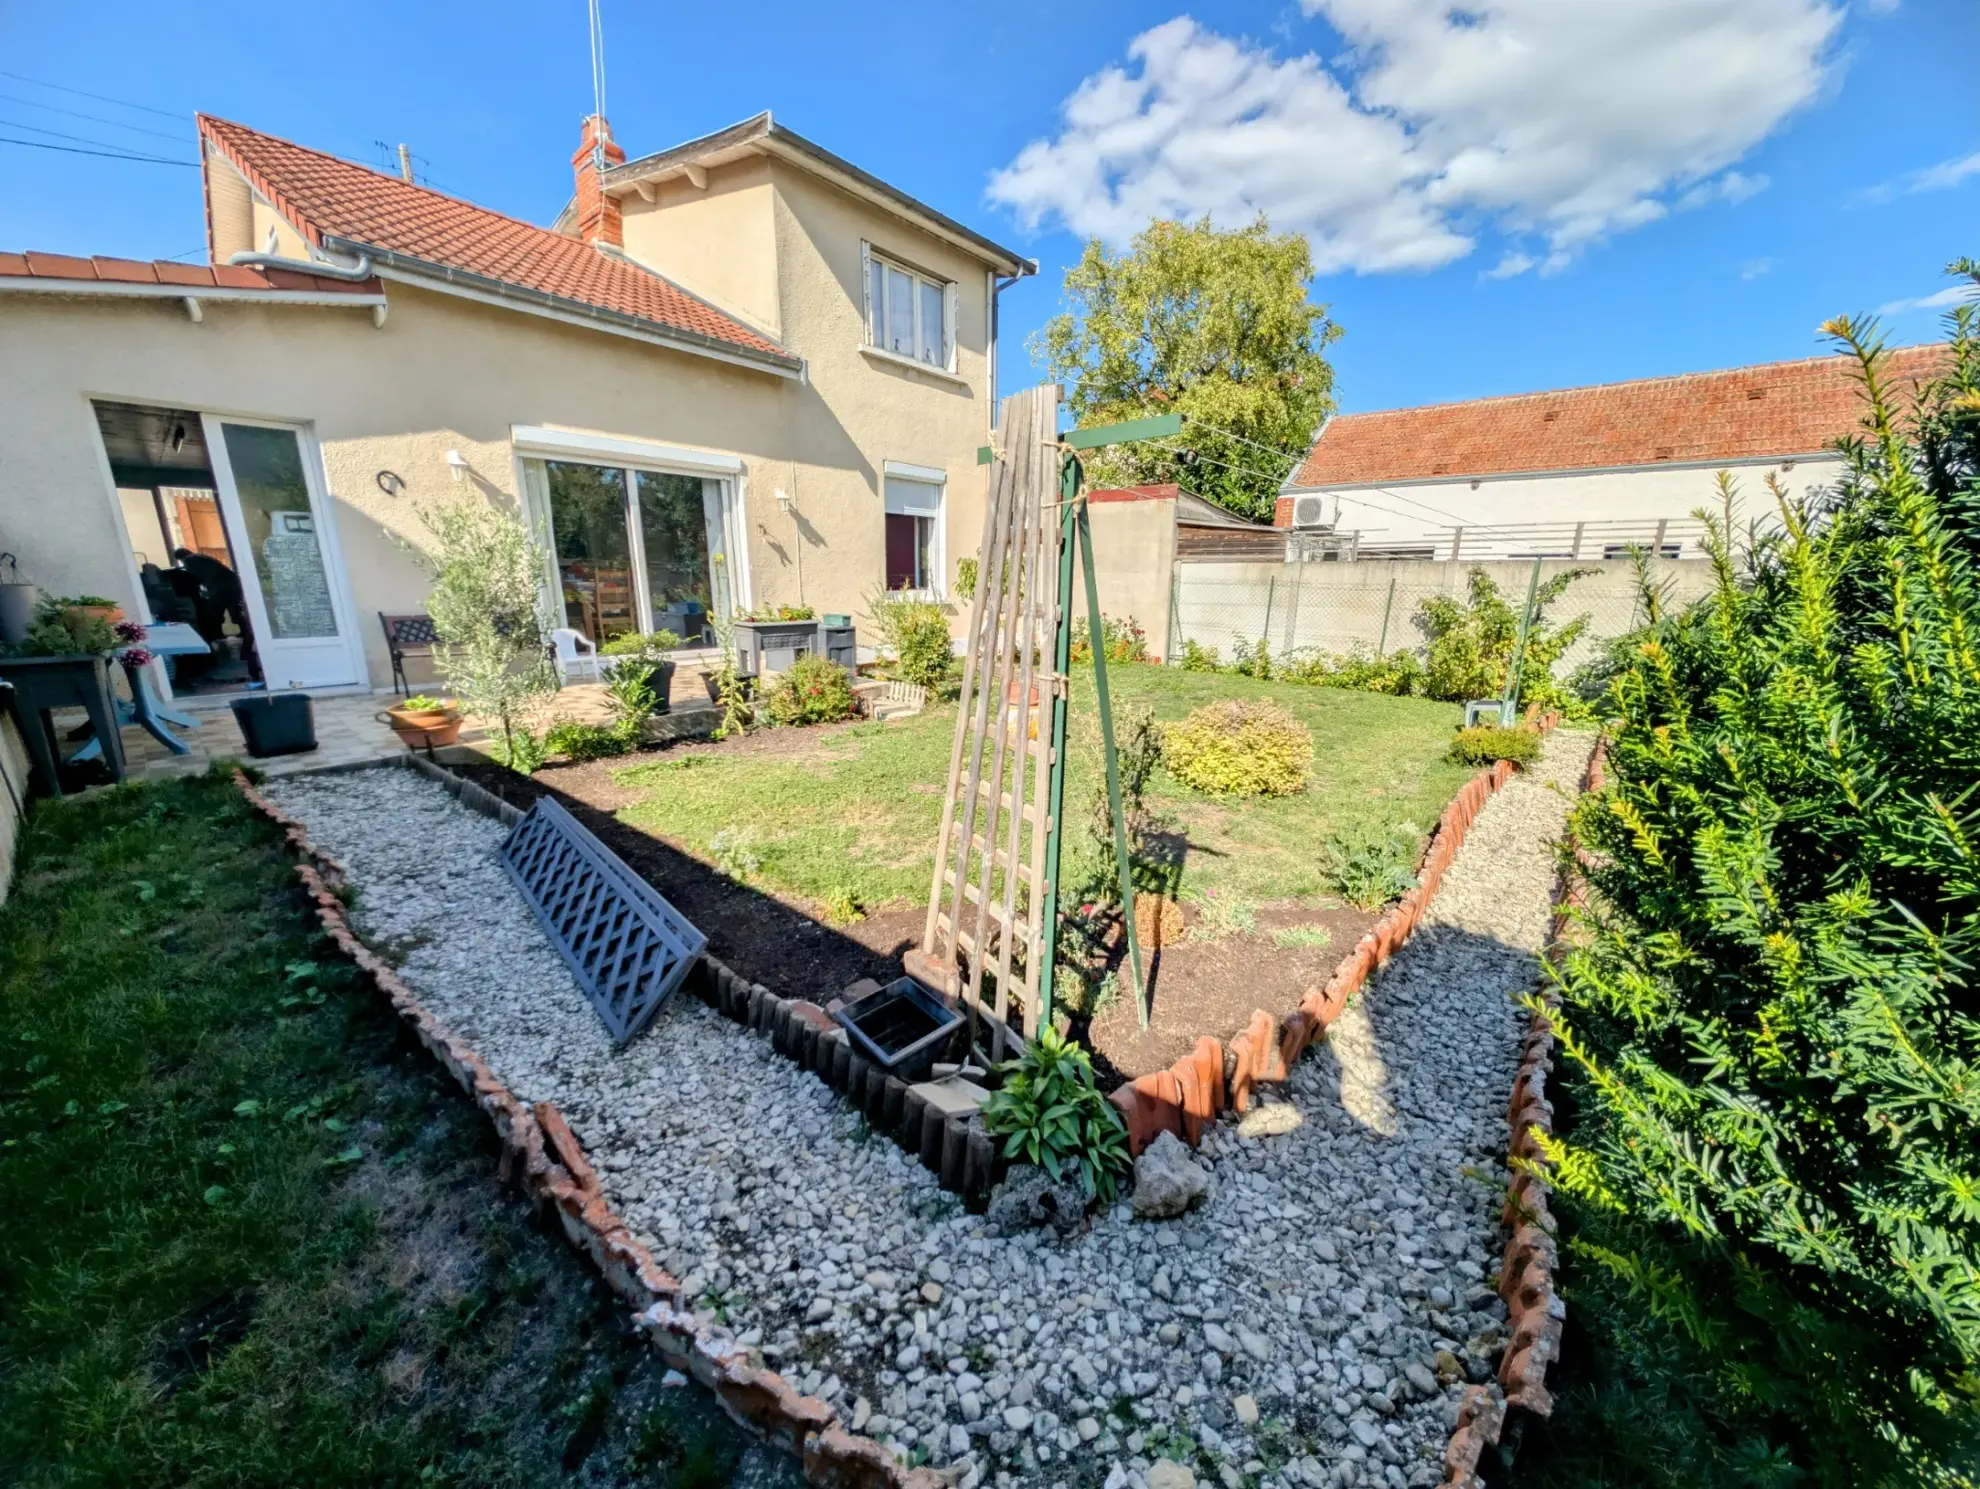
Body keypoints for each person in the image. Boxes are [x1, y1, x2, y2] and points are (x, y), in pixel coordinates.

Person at [172, 548, 248, 646]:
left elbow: (195, 577)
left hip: (220, 587)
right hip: (233, 583)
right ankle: (246, 632)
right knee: (234, 610)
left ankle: (218, 635)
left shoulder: (189, 560)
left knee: (215, 612)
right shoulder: (201, 557)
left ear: (180, 558)